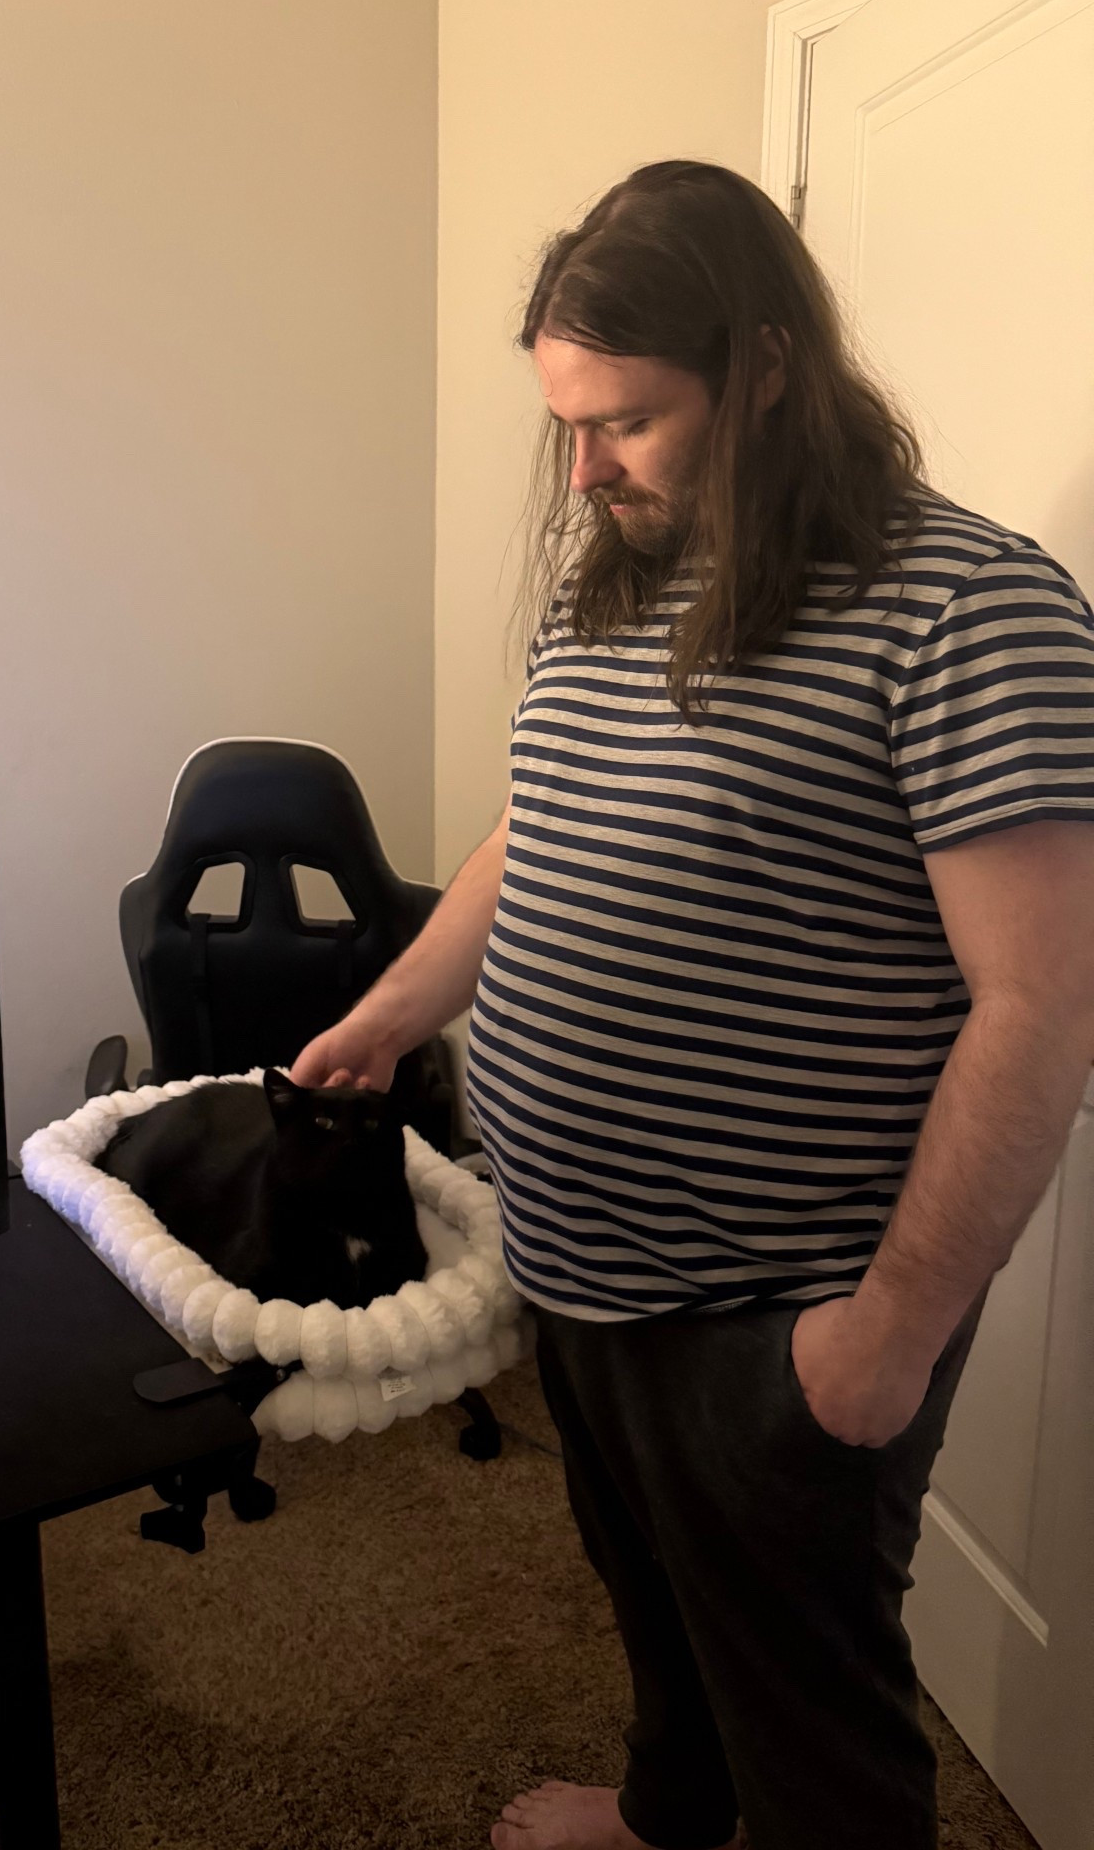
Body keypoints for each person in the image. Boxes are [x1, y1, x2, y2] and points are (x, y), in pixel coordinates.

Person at [290, 160, 1094, 1850]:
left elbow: (1039, 1006)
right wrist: (393, 1009)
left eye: (628, 422)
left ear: (773, 367)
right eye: (564, 425)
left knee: (817, 1713)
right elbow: (537, 834)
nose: (583, 470)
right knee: (654, 1601)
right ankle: (671, 1821)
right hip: (578, 1265)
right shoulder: (623, 582)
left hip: (776, 1307)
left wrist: (883, 1341)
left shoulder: (972, 610)